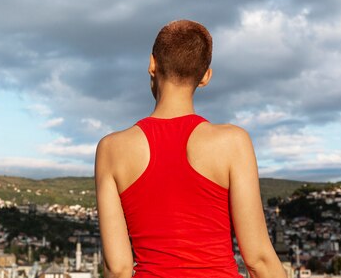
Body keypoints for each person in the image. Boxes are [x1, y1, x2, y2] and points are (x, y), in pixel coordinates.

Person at [94, 20, 287, 278]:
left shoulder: (111, 149)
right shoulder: (233, 143)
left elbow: (117, 269)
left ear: (152, 64)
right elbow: (258, 260)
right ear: (206, 76)